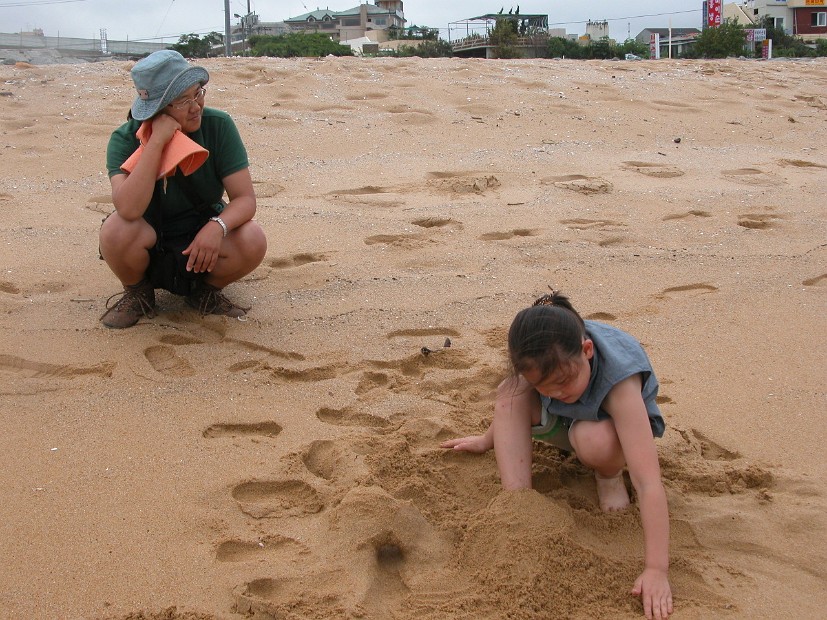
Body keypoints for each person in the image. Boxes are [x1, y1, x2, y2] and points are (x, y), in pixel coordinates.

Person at [441, 290, 673, 620]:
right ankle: (518, 503)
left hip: (610, 432)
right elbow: (518, 398)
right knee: (510, 392)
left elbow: (648, 482)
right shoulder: (540, 356)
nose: (558, 393)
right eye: (546, 387)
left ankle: (606, 476)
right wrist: (487, 438)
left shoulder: (619, 380)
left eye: (565, 381)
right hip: (565, 421)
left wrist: (656, 569)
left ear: (587, 351)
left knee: (591, 437)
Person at [100, 50, 267, 328]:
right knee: (115, 230)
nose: (196, 106)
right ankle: (139, 292)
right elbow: (128, 209)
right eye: (182, 101)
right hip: (149, 237)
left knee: (252, 238)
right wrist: (156, 143)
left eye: (198, 93)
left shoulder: (218, 125)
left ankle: (204, 293)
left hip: (202, 237)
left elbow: (245, 200)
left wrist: (217, 227)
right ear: (157, 109)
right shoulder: (124, 139)